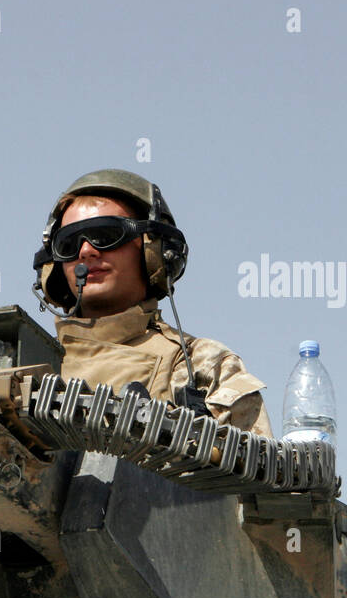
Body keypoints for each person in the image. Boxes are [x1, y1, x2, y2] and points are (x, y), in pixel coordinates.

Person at [31, 169, 273, 437]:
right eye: (69, 243)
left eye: (106, 235)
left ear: (155, 251)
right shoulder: (25, 367)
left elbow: (254, 473)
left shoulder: (199, 366)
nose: (86, 251)